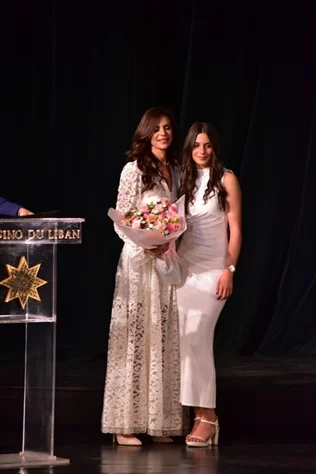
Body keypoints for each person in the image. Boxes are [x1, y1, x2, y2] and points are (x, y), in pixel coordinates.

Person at [101, 107, 188, 446]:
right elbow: (121, 217)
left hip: (165, 258)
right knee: (135, 337)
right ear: (147, 132)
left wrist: (167, 238)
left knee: (162, 336)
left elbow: (177, 215)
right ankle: (125, 424)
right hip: (138, 261)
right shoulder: (134, 169)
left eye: (168, 128)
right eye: (157, 128)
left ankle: (159, 422)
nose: (163, 133)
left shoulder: (177, 170)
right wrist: (143, 240)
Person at [176, 122, 242, 447]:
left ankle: (209, 417)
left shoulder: (226, 179)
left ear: (215, 147)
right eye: (196, 145)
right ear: (189, 148)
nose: (202, 151)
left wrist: (228, 269)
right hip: (184, 272)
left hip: (213, 271)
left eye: (208, 145)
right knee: (185, 341)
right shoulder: (183, 180)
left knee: (199, 336)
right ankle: (192, 414)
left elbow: (236, 230)